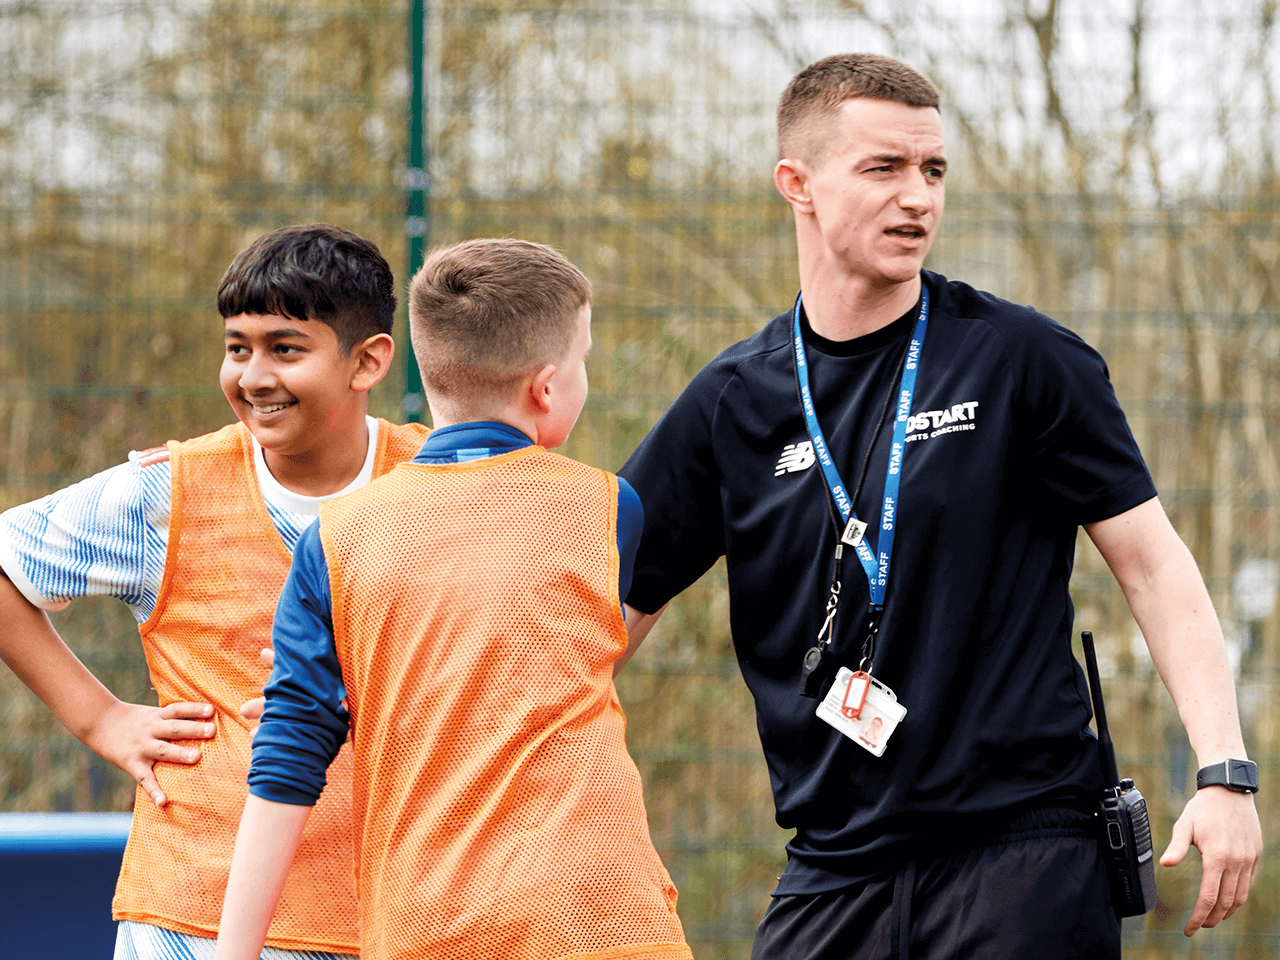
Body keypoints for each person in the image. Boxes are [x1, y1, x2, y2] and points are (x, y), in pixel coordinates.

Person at [616, 53, 1262, 959]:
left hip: (1025, 851)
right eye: (883, 169)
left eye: (933, 171)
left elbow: (1155, 566)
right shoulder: (731, 402)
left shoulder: (1023, 358)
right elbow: (606, 616)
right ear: (795, 184)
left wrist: (1225, 773)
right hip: (832, 867)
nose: (917, 196)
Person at [213, 238, 692, 960]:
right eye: (582, 359)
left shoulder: (338, 540)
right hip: (601, 920)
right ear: (547, 388)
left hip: (426, 924)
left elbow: (285, 764)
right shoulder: (608, 509)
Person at [0, 223, 429, 959]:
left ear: (368, 361)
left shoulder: (435, 486)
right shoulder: (167, 492)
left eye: (284, 348)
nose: (253, 376)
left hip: (397, 913)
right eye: (238, 347)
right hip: (193, 915)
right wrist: (100, 720)